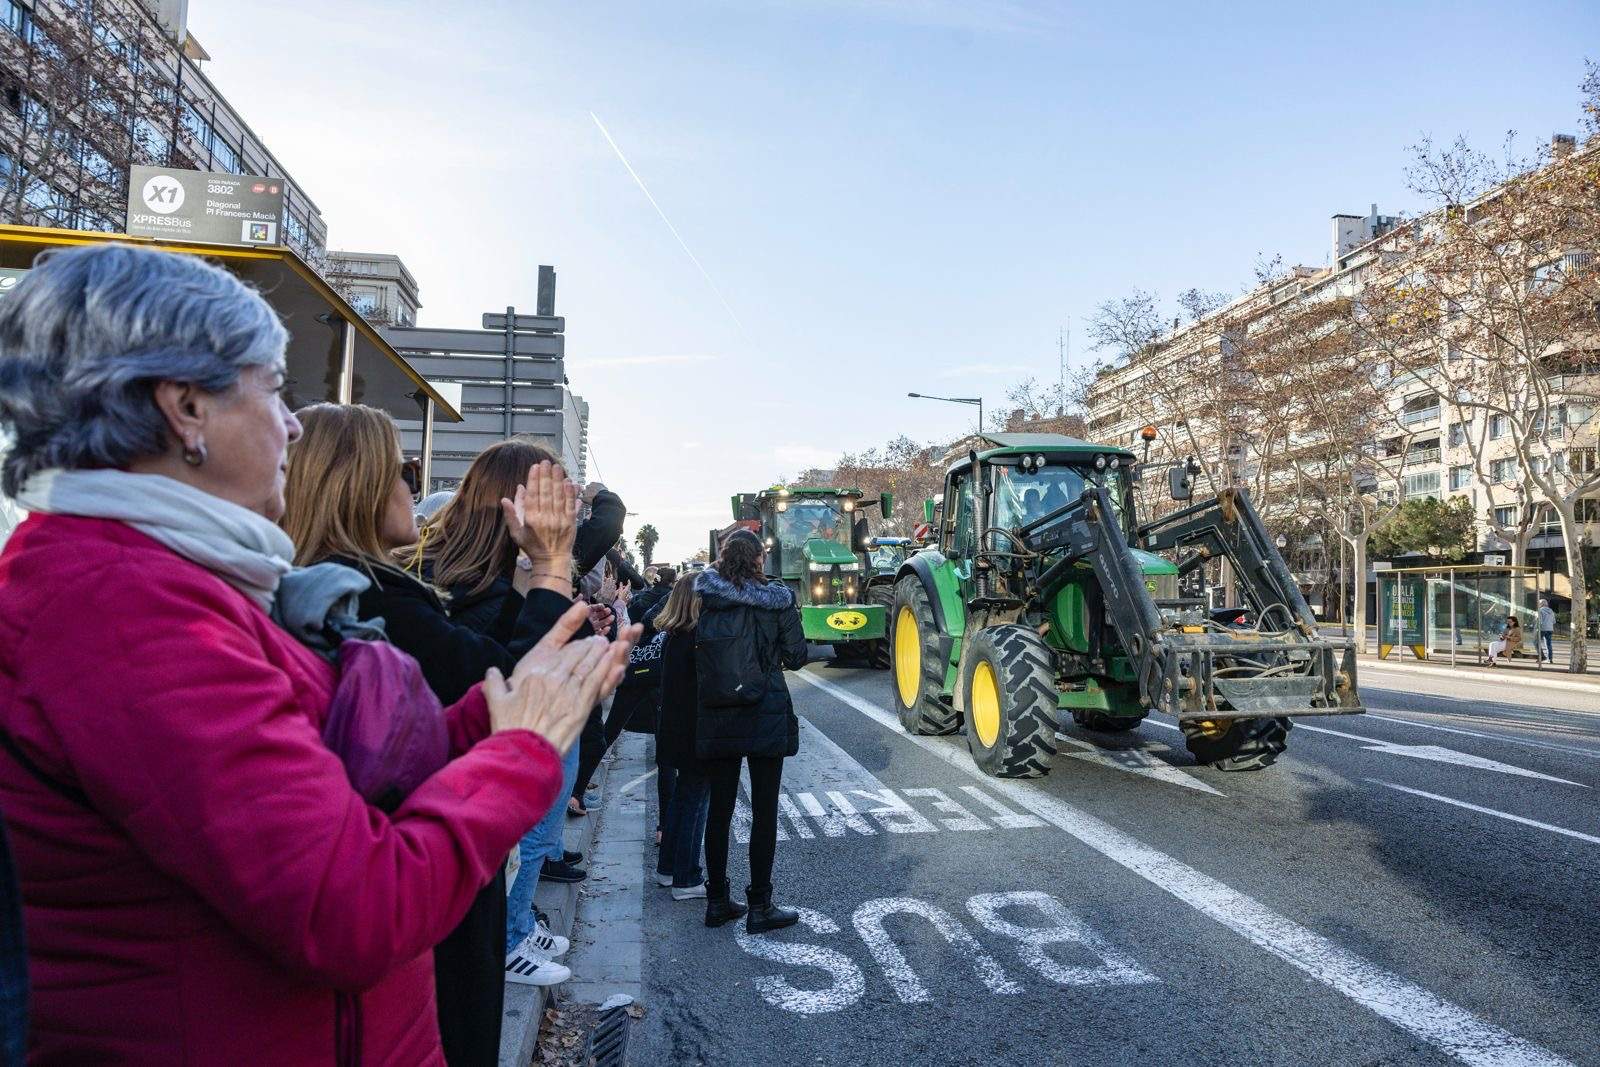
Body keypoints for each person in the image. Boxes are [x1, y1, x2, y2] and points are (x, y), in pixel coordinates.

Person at [0, 243, 629, 1062]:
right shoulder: (120, 609)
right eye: (270, 389)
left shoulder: (172, 577)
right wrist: (519, 747)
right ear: (185, 407)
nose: (292, 423)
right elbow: (350, 906)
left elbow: (335, 762)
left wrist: (487, 715)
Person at [695, 529, 808, 933]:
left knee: (720, 811)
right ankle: (761, 905)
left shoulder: (705, 598)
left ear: (723, 559)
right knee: (763, 812)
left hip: (717, 714)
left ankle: (717, 900)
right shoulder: (776, 600)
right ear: (759, 560)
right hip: (766, 710)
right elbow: (797, 655)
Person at [654, 578, 713, 900]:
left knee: (682, 797)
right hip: (695, 730)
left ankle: (667, 868)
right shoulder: (696, 638)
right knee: (696, 801)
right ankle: (686, 876)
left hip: (674, 729)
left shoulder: (674, 636)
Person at [1537, 598, 1556, 663]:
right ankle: (1550, 659)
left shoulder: (1540, 610)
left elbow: (1540, 621)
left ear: (1541, 604)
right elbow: (1553, 621)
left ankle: (1541, 657)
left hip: (1542, 629)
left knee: (1536, 642)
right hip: (1550, 629)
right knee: (1549, 644)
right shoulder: (1551, 611)